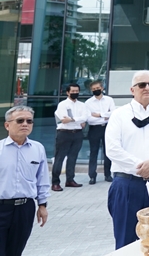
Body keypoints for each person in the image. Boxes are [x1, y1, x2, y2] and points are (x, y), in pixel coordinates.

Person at [105, 72, 149, 249]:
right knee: (125, 239)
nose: (147, 88)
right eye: (142, 84)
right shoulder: (119, 115)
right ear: (132, 89)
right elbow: (112, 149)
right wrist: (141, 166)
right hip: (127, 183)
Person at [0, 107, 48, 256]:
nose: (25, 124)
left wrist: (42, 205)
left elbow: (42, 179)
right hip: (1, 207)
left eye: (29, 121)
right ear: (7, 125)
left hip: (24, 209)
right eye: (20, 120)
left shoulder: (38, 148)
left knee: (15, 251)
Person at [52, 83, 88, 191]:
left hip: (77, 133)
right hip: (64, 133)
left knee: (73, 158)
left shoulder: (82, 105)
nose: (75, 93)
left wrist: (72, 119)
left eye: (77, 91)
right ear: (67, 92)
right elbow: (64, 119)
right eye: (72, 91)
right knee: (60, 158)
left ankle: (70, 180)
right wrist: (78, 120)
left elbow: (85, 117)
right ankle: (55, 182)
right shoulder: (62, 104)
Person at [84, 80, 115, 184]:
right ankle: (92, 176)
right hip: (94, 129)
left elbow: (113, 114)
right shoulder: (88, 103)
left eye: (97, 88)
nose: (96, 90)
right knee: (94, 152)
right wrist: (105, 116)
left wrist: (100, 115)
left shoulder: (109, 100)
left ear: (102, 88)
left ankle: (108, 174)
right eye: (93, 89)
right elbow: (89, 119)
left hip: (107, 128)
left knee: (108, 152)